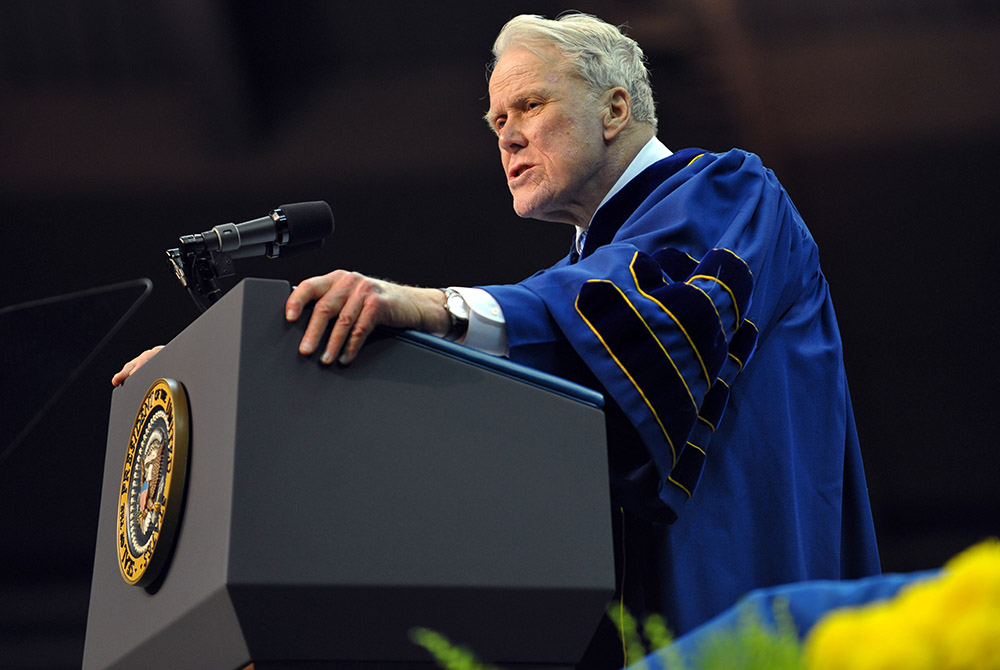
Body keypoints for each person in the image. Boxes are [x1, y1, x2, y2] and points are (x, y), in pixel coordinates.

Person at [114, 12, 881, 669]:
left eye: (529, 104)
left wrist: (428, 306)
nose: (506, 134)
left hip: (742, 609)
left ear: (615, 109)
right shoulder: (568, 286)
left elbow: (640, 319)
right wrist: (229, 378)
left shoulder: (730, 193)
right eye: (495, 121)